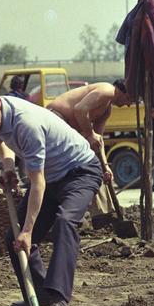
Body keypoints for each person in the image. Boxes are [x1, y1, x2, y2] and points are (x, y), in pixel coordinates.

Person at [0, 83, 102, 306]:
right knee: (11, 238)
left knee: (64, 223)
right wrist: (8, 166)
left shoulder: (27, 125)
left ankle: (58, 302)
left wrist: (28, 230)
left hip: (80, 173)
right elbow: (1, 139)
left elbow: (37, 185)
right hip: (52, 177)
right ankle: (40, 294)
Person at [47, 79, 132, 227]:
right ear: (122, 91)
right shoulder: (107, 90)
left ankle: (103, 215)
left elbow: (97, 141)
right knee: (73, 166)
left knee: (92, 165)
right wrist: (89, 134)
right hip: (56, 117)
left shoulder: (107, 109)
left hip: (69, 128)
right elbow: (79, 110)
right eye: (129, 99)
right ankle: (60, 216)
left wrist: (105, 165)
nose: (128, 104)